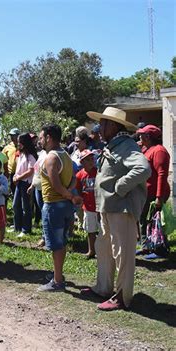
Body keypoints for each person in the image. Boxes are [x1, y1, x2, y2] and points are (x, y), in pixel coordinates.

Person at [83, 107, 151, 311]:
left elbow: (143, 168)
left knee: (123, 253)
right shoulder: (114, 145)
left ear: (113, 126)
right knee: (104, 249)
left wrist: (121, 187)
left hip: (121, 208)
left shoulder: (127, 145)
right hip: (109, 207)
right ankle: (103, 288)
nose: (99, 128)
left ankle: (122, 297)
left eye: (103, 124)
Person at [37, 124, 82, 292]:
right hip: (64, 206)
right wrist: (70, 193)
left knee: (56, 245)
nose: (40, 140)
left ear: (49, 137)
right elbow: (73, 179)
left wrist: (70, 195)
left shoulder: (51, 158)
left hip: (53, 206)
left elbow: (55, 185)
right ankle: (58, 275)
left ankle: (57, 282)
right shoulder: (66, 156)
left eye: (42, 137)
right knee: (61, 242)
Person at [137, 124, 171, 240]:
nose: (139, 138)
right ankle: (146, 243)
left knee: (153, 220)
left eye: (141, 135)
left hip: (154, 193)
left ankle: (156, 245)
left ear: (148, 137)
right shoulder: (147, 149)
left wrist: (159, 197)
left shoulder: (159, 151)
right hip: (146, 192)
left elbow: (162, 174)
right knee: (144, 219)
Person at [12, 133, 38, 237]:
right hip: (19, 182)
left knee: (25, 207)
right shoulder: (21, 154)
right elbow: (18, 169)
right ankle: (17, 227)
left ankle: (26, 229)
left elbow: (31, 171)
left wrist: (18, 177)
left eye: (20, 142)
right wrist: (15, 176)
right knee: (15, 205)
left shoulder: (30, 156)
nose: (18, 144)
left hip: (25, 183)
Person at [75, 149, 98, 259]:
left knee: (103, 230)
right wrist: (81, 199)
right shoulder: (79, 175)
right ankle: (91, 250)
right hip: (88, 207)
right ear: (82, 162)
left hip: (99, 206)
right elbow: (78, 189)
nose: (91, 161)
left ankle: (103, 251)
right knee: (90, 230)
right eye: (87, 160)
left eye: (92, 159)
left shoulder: (98, 172)